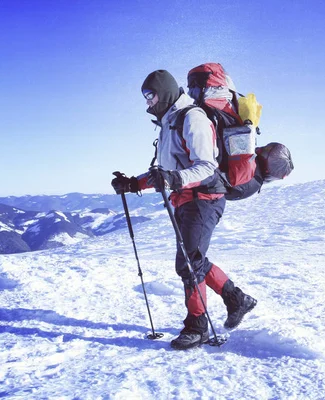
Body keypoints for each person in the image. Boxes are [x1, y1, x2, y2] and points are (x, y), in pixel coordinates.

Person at [111, 70, 256, 350]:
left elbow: (205, 166)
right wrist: (132, 183)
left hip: (205, 197)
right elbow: (166, 172)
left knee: (189, 265)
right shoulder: (169, 123)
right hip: (186, 199)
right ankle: (238, 299)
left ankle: (197, 327)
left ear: (164, 92)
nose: (148, 103)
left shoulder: (193, 118)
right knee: (195, 260)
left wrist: (175, 179)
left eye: (150, 96)